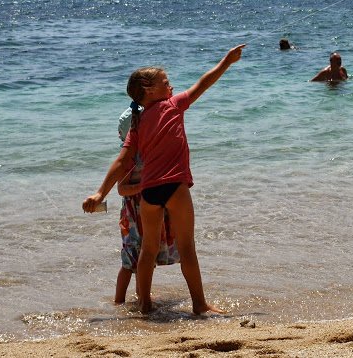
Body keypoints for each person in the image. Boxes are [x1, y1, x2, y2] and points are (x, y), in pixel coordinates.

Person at [83, 44, 246, 315]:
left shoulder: (137, 125)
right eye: (166, 82)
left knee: (147, 251)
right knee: (187, 249)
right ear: (149, 90)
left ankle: (145, 305)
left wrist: (101, 192)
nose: (171, 86)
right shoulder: (173, 105)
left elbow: (122, 161)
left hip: (148, 193)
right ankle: (199, 304)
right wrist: (226, 62)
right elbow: (203, 84)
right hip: (174, 187)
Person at [114, 107, 180, 305]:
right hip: (135, 213)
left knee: (147, 256)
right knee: (129, 261)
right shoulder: (129, 158)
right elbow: (122, 189)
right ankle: (119, 301)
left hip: (152, 206)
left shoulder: (151, 152)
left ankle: (142, 295)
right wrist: (143, 186)